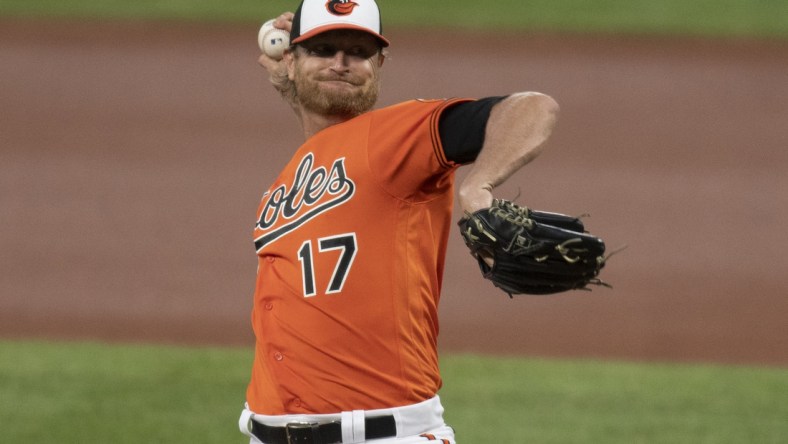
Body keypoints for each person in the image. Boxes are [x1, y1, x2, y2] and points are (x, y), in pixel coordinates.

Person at [239, 1, 559, 442]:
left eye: (358, 51)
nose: (340, 62)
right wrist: (299, 89)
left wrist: (477, 186)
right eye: (323, 49)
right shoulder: (292, 176)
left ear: (380, 64)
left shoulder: (394, 137)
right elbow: (328, 135)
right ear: (289, 63)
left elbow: (531, 109)